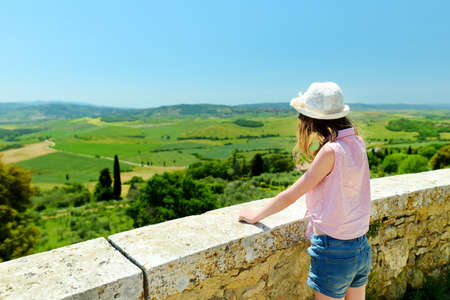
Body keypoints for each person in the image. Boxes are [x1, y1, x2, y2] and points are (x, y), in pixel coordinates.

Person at [238, 82, 372, 300]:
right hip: (361, 246)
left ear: (310, 121)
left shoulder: (330, 151)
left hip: (333, 249)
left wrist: (256, 216)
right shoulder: (357, 142)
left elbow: (291, 194)